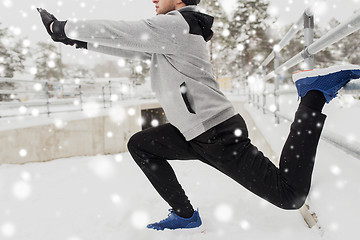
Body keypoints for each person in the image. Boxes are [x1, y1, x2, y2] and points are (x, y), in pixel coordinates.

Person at [38, 0, 360, 231]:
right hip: (194, 133)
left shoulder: (176, 24)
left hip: (218, 135)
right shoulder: (170, 32)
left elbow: (122, 31)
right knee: (141, 144)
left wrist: (62, 26)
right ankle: (185, 214)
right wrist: (72, 39)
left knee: (290, 194)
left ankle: (313, 95)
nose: (153, 0)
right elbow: (123, 45)